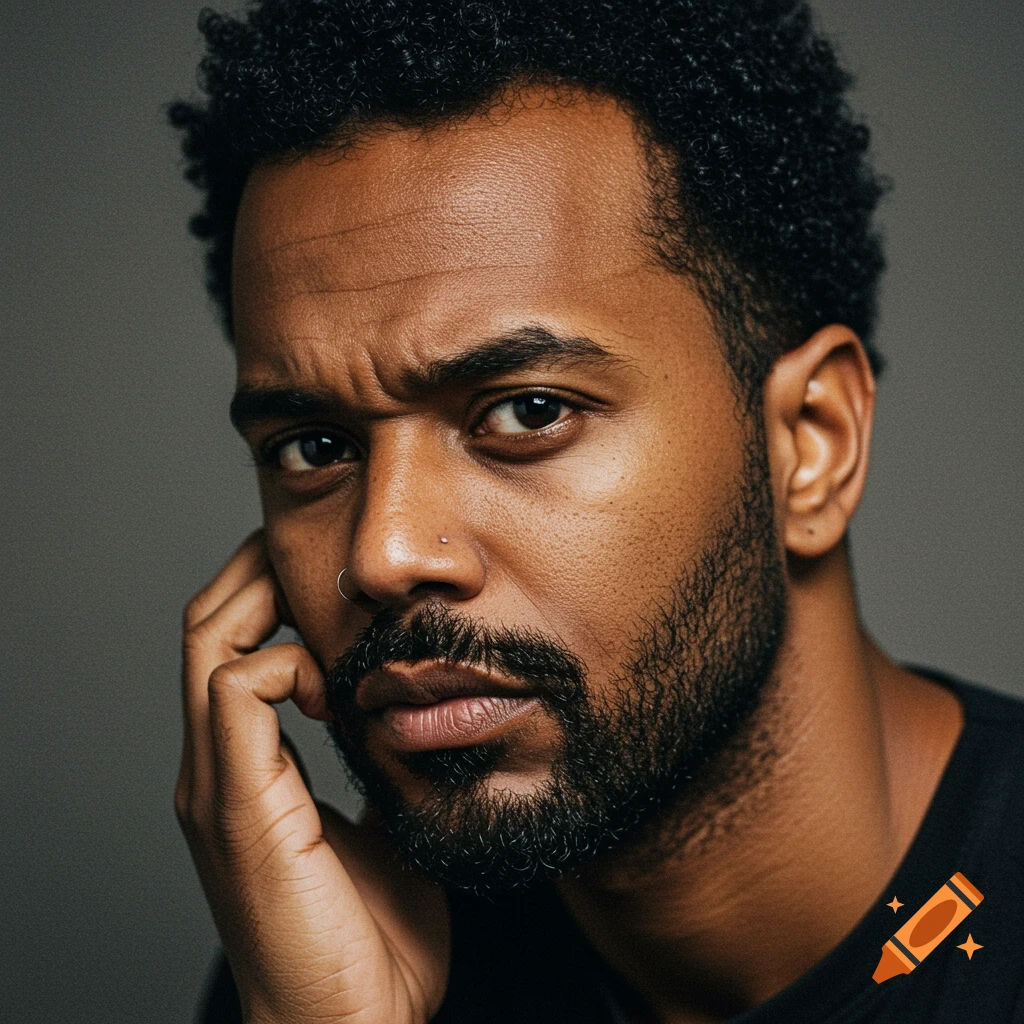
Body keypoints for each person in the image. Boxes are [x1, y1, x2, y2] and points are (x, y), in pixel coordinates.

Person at [169, 1, 1024, 1021]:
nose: (383, 552)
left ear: (812, 442)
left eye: (528, 412)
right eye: (314, 448)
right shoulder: (335, 958)